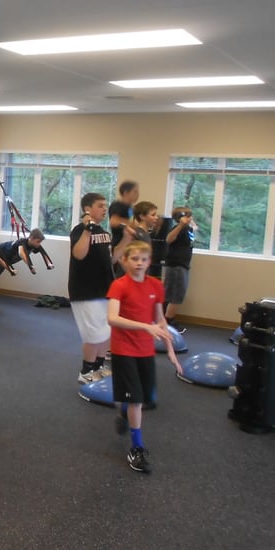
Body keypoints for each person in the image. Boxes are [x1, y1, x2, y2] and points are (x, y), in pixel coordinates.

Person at [107, 241, 183, 473]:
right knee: (137, 401)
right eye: (134, 259)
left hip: (145, 350)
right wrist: (145, 327)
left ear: (149, 262)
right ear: (125, 261)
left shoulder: (155, 285)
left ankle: (124, 411)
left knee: (144, 398)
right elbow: (112, 318)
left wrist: (170, 350)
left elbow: (160, 320)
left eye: (143, 259)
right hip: (123, 349)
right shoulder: (119, 286)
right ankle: (137, 448)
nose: (139, 263)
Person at [69, 193, 114, 383]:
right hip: (85, 291)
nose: (105, 209)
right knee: (94, 334)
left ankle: (99, 366)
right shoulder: (79, 230)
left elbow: (111, 260)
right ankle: (86, 371)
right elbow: (79, 254)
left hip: (105, 289)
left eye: (105, 205)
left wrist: (127, 240)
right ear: (88, 209)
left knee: (106, 331)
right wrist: (87, 229)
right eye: (100, 205)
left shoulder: (104, 232)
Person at [163, 206, 196, 333]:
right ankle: (168, 321)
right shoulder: (178, 228)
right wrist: (181, 224)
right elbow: (168, 239)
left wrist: (189, 223)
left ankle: (166, 319)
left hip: (183, 265)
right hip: (177, 266)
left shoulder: (188, 229)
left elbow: (195, 231)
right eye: (188, 216)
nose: (191, 218)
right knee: (176, 295)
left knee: (172, 294)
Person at [109, 180, 140, 249]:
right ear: (126, 192)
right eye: (135, 192)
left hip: (130, 244)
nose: (137, 194)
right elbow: (113, 221)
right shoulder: (117, 205)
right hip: (120, 244)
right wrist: (132, 224)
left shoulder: (130, 208)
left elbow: (132, 222)